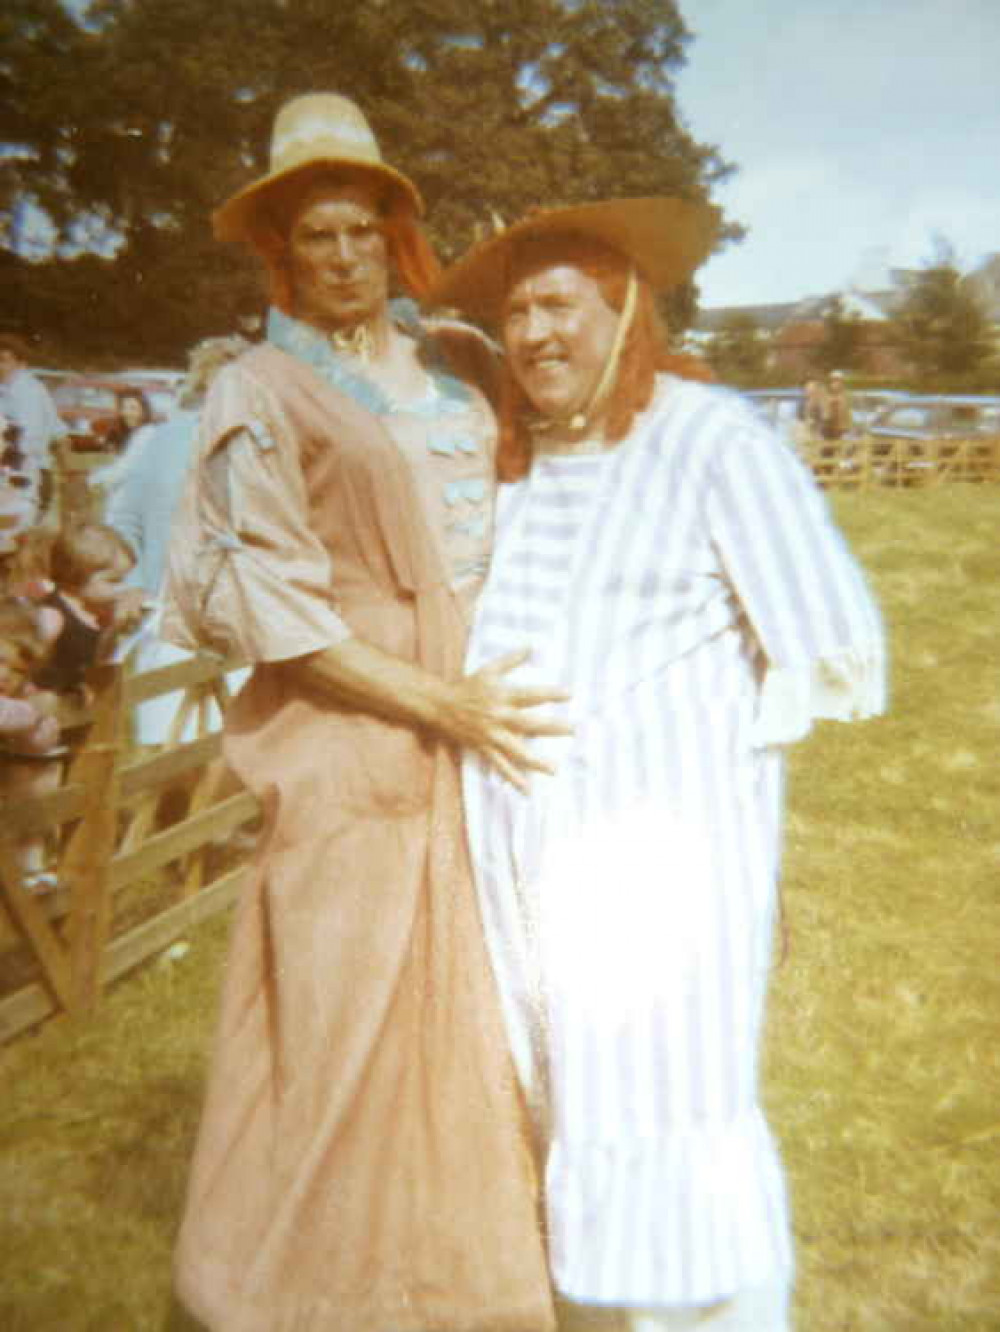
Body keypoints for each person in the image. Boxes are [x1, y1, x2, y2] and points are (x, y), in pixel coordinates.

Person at [431, 200, 888, 1332]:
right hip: (520, 851)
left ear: (624, 309)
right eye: (517, 312)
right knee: (566, 1099)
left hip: (657, 859)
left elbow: (827, 644)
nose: (535, 334)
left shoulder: (708, 439)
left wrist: (679, 783)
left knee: (668, 1102)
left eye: (559, 307)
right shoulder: (520, 453)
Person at [161, 92, 564, 1332]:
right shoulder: (258, 391)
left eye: (360, 230)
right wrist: (436, 700)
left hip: (489, 709)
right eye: (313, 236)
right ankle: (322, 1292)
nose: (340, 258)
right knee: (350, 1004)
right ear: (280, 248)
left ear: (396, 231)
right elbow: (272, 606)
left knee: (495, 990)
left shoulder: (457, 361)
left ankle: (470, 1272)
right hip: (360, 728)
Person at [0, 595, 64, 894]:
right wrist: (34, 712)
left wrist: (42, 724)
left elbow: (41, 742)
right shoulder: (24, 705)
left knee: (34, 792)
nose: (4, 675)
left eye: (16, 671)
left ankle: (29, 871)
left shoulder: (24, 693)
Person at [0, 333, 64, 521]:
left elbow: (28, 443)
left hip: (30, 475)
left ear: (21, 364)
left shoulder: (28, 392)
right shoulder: (5, 389)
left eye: (3, 360)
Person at [821, 369, 852, 440]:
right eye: (833, 381)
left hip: (843, 430)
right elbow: (824, 415)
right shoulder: (825, 396)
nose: (836, 384)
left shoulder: (846, 396)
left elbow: (848, 415)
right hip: (828, 430)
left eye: (839, 381)